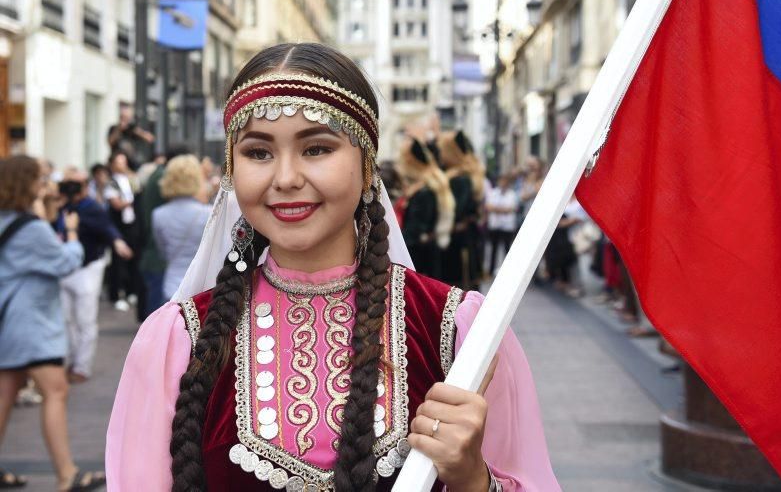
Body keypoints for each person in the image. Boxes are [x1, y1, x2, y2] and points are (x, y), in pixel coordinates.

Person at [106, 43, 559, 491]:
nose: (285, 178)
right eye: (258, 153)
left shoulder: (459, 331)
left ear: (366, 167)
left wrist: (472, 479)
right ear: (231, 169)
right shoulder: (178, 340)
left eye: (317, 148)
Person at [0, 156, 105, 491]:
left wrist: (47, 209)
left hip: (10, 321)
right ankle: (66, 473)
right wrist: (72, 234)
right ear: (25, 182)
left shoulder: (10, 221)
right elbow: (64, 262)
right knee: (56, 390)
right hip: (31, 323)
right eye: (40, 178)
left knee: (5, 393)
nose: (44, 183)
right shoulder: (29, 228)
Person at [57, 169, 133, 383]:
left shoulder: (91, 207)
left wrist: (118, 242)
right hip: (64, 268)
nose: (71, 188)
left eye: (76, 184)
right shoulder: (59, 206)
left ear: (84, 186)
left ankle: (81, 366)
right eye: (67, 183)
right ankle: (70, 360)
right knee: (66, 319)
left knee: (84, 319)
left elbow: (107, 228)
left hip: (87, 268)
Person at [138, 145, 192, 320]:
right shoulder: (163, 177)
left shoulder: (158, 175)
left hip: (158, 254)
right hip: (160, 259)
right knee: (158, 317)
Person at [151, 155, 212, 308]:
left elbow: (162, 252)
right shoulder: (209, 213)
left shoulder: (158, 214)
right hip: (201, 288)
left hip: (171, 286)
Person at [397, 139, 455, 279]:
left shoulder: (425, 191)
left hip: (420, 258)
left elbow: (416, 230)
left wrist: (396, 246)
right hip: (425, 253)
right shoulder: (426, 187)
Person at [437, 130, 485, 290]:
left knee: (457, 286)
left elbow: (456, 209)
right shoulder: (461, 175)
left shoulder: (460, 178)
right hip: (460, 238)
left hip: (458, 241)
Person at [105, 152, 144, 314]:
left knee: (134, 257)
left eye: (124, 161)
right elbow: (116, 204)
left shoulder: (130, 179)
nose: (122, 165)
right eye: (119, 162)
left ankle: (131, 291)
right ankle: (117, 294)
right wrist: (129, 201)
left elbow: (139, 189)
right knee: (118, 260)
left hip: (132, 225)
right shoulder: (111, 183)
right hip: (119, 225)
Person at [485, 174, 519, 275]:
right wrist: (502, 209)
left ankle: (509, 270)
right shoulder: (493, 193)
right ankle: (491, 270)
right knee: (493, 249)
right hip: (495, 225)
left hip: (507, 226)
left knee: (507, 249)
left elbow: (512, 208)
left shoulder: (512, 194)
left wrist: (497, 209)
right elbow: (489, 206)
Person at [107, 105, 154, 170]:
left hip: (131, 163)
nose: (124, 121)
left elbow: (149, 138)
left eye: (126, 118)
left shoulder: (132, 129)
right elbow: (110, 142)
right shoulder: (114, 128)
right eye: (122, 118)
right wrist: (118, 130)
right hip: (116, 163)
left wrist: (137, 131)